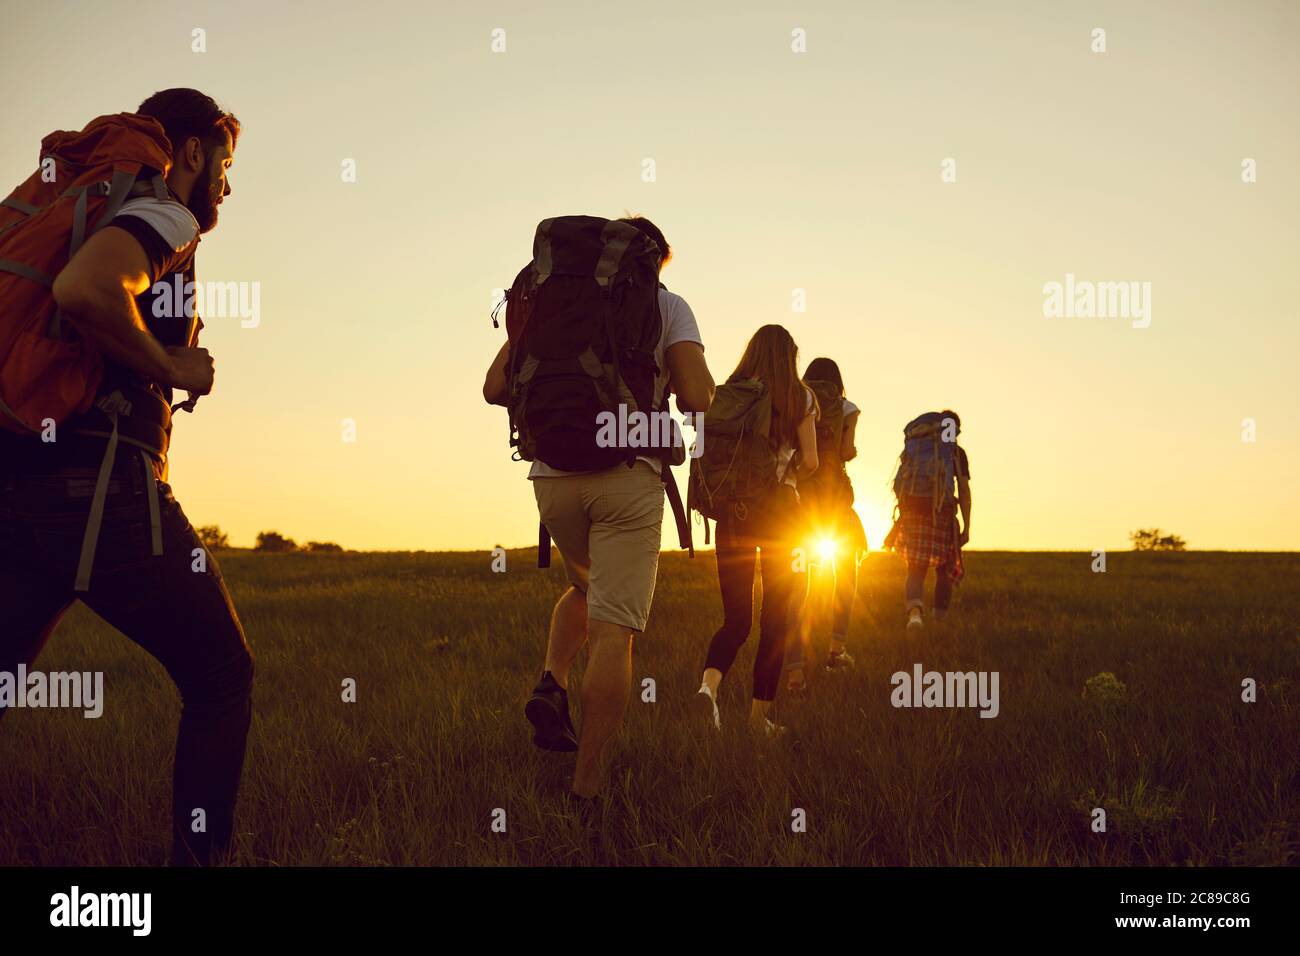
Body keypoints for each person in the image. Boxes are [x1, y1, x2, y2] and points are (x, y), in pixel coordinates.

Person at [0, 89, 252, 865]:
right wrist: (170, 362)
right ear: (193, 151)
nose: (227, 187)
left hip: (14, 482)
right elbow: (85, 290)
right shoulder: (162, 209)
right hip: (99, 489)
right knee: (222, 675)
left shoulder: (77, 200)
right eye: (226, 164)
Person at [482, 215, 714, 802]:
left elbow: (493, 386)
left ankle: (552, 682)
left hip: (552, 478)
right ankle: (586, 789)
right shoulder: (668, 306)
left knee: (587, 589)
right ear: (655, 260)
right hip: (628, 474)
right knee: (614, 631)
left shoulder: (557, 300)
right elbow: (696, 395)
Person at [695, 325, 817, 735]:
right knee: (775, 620)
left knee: (737, 620)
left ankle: (708, 690)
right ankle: (758, 718)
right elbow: (813, 461)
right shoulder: (800, 397)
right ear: (789, 356)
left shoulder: (730, 394)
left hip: (734, 513)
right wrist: (788, 473)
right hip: (782, 518)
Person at [785, 357, 868, 695]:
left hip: (799, 499)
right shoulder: (847, 407)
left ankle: (794, 674)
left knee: (795, 587)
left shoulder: (796, 400)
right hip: (835, 502)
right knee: (847, 572)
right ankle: (835, 651)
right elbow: (846, 452)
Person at [888, 409, 971, 630]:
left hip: (914, 511)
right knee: (944, 568)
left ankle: (914, 615)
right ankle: (939, 621)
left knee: (916, 569)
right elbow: (963, 489)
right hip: (942, 513)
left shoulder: (916, 448)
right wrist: (967, 525)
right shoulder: (955, 453)